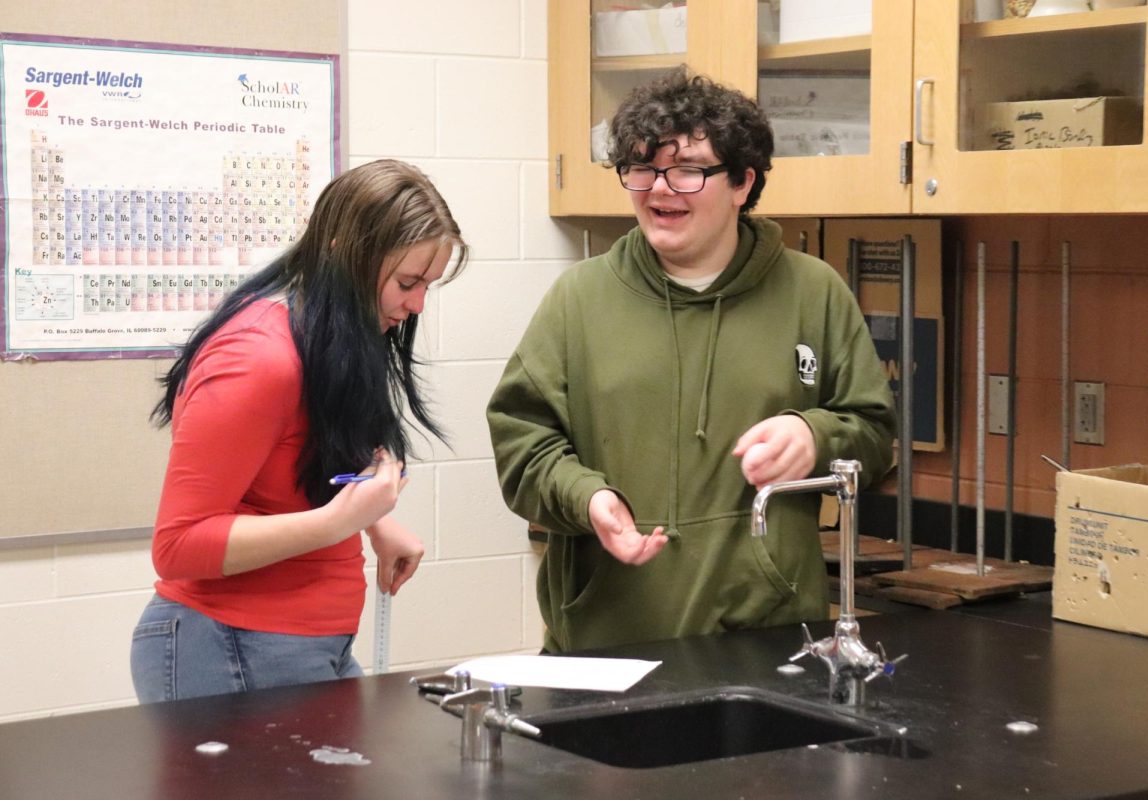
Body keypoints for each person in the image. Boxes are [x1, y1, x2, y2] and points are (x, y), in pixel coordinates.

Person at [486, 68, 896, 653]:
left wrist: (815, 435)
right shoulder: (579, 300)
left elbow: (876, 434)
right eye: (641, 168)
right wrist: (587, 497)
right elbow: (521, 447)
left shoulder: (814, 292)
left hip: (770, 641)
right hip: (607, 643)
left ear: (741, 182)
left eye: (687, 171)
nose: (659, 189)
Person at [130, 159, 468, 702]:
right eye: (407, 283)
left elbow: (301, 472)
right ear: (341, 253)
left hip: (301, 645)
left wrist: (374, 526)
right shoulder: (259, 356)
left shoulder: (329, 340)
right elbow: (179, 545)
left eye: (427, 285)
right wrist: (338, 522)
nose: (416, 306)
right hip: (228, 644)